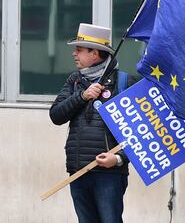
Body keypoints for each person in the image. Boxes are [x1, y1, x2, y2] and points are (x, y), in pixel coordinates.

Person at [49, 23, 134, 223]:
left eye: (78, 50)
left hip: (109, 174)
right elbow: (56, 115)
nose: (74, 54)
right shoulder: (75, 81)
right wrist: (82, 96)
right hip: (78, 171)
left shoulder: (123, 83)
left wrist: (119, 159)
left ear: (94, 53)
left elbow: (141, 132)